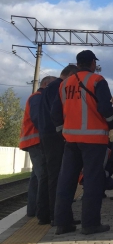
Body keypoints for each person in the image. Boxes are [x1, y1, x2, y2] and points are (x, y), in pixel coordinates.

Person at [51, 50, 113, 235]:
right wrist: (111, 123)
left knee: (66, 181)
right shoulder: (97, 80)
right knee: (92, 181)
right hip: (94, 140)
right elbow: (105, 107)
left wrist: (62, 131)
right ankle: (90, 224)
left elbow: (55, 112)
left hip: (71, 140)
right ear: (93, 63)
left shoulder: (64, 84)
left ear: (78, 63)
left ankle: (62, 224)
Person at [36, 65, 79, 225]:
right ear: (70, 75)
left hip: (45, 135)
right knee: (58, 175)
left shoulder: (48, 89)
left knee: (47, 175)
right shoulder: (60, 87)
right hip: (55, 136)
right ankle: (57, 215)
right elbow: (59, 111)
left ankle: (44, 214)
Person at [19, 76, 56, 225]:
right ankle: (42, 211)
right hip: (37, 141)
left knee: (36, 177)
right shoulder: (39, 97)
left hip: (34, 141)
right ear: (46, 85)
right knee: (44, 177)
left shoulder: (37, 97)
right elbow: (38, 118)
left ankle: (33, 209)